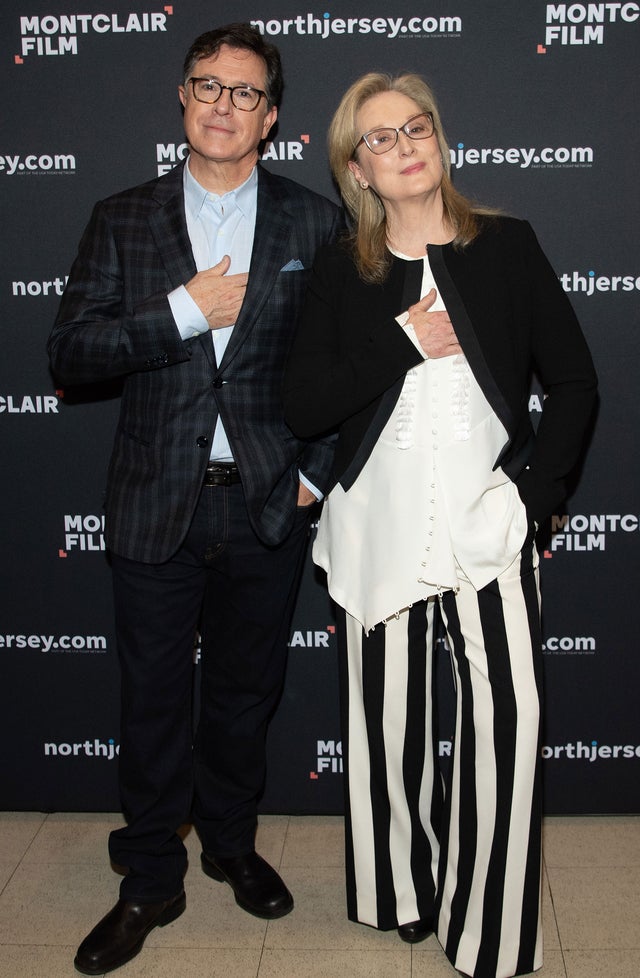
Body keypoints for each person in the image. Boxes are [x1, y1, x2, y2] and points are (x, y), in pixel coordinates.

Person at [283, 73, 597, 978]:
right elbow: (305, 404)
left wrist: (532, 498)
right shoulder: (345, 268)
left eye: (415, 126)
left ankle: (490, 929)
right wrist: (407, 338)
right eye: (380, 138)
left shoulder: (508, 246)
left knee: (508, 729)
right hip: (376, 525)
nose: (404, 145)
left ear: (440, 138)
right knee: (387, 733)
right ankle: (401, 894)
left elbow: (575, 383)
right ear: (358, 168)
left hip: (486, 526)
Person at [48, 23, 342, 977]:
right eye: (207, 85)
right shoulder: (122, 217)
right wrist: (182, 311)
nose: (223, 104)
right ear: (182, 98)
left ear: (273, 118)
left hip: (265, 501)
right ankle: (146, 877)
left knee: (246, 694)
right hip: (153, 500)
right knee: (153, 698)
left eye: (245, 92)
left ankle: (227, 844)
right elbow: (71, 353)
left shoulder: (312, 220)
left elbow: (350, 367)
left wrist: (314, 473)